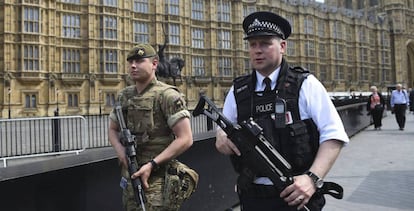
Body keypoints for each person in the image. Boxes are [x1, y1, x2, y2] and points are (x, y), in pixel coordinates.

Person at [215, 11, 349, 211]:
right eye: (253, 44)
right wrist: (221, 136)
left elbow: (334, 134)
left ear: (283, 46)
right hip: (253, 198)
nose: (257, 50)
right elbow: (223, 129)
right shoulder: (238, 90)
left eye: (265, 43)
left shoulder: (305, 85)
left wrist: (312, 179)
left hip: (299, 196)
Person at [108, 43, 197, 211]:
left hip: (157, 180)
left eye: (140, 61)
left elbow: (186, 138)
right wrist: (120, 151)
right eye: (131, 61)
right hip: (130, 178)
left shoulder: (168, 95)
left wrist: (152, 164)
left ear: (154, 64)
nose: (133, 65)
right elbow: (112, 129)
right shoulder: (124, 96)